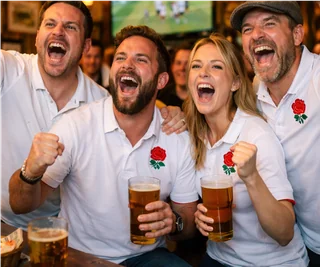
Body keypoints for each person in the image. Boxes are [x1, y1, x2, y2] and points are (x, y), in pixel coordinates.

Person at [9, 25, 198, 266]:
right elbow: (20, 205)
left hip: (147, 256)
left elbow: (188, 224)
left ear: (161, 80)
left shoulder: (177, 136)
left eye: (140, 59)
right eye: (120, 58)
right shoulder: (76, 125)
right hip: (81, 255)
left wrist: (173, 222)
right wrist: (30, 172)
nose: (127, 65)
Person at [0, 0, 186, 230]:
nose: (58, 31)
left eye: (70, 27)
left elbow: (138, 104)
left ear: (86, 45)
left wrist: (171, 111)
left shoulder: (99, 100)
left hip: (63, 227)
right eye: (50, 24)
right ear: (38, 36)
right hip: (5, 221)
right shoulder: (9, 69)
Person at [184, 33, 308, 266]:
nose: (203, 73)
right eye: (196, 66)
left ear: (235, 83)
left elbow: (284, 233)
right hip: (218, 257)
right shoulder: (192, 134)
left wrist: (251, 177)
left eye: (216, 66)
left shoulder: (256, 134)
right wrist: (199, 217)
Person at [230, 0, 320, 265]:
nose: (256, 34)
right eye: (247, 29)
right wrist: (172, 113)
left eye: (269, 23)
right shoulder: (255, 89)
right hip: (297, 246)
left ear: (296, 35)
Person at [157, 41, 193, 108]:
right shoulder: (161, 96)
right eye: (178, 63)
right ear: (172, 67)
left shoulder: (203, 97)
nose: (182, 68)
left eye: (187, 64)